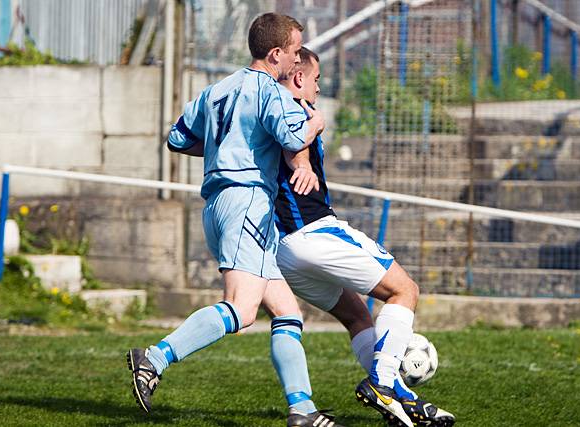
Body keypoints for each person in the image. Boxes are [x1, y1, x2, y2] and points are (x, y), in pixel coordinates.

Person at [126, 13, 343, 427]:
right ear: (277, 53)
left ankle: (302, 410)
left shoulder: (215, 90)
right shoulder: (269, 92)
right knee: (242, 311)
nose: (297, 63)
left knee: (286, 312)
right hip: (247, 203)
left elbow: (177, 138)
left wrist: (223, 151)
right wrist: (316, 120)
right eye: (296, 53)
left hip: (219, 202)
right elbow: (295, 138)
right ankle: (153, 359)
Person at [274, 47, 456, 427]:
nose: (320, 88)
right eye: (317, 79)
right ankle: (384, 383)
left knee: (357, 314)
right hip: (314, 232)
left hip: (285, 250)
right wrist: (311, 138)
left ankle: (401, 399)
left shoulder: (263, 109)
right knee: (404, 290)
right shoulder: (296, 109)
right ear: (299, 77)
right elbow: (297, 147)